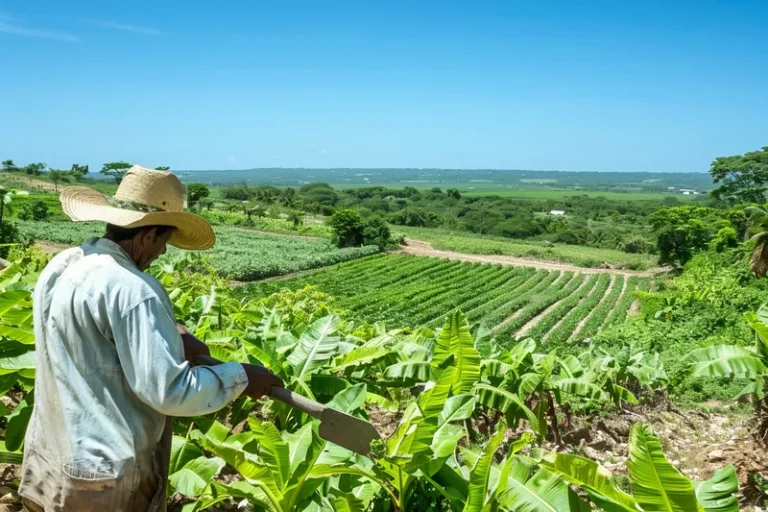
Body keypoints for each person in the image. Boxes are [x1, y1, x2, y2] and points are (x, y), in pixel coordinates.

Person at [18, 165, 284, 511]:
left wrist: (168, 338)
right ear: (148, 236)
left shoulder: (65, 265)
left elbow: (90, 336)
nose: (162, 253)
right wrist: (243, 377)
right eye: (164, 241)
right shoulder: (133, 289)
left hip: (49, 458)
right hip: (103, 476)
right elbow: (171, 391)